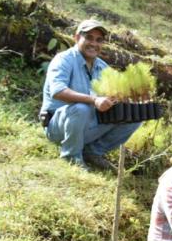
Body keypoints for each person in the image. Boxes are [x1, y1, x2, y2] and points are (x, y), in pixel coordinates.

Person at [39, 19, 141, 170]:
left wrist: (123, 98)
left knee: (135, 113)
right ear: (77, 37)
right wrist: (94, 100)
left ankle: (92, 152)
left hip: (87, 126)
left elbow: (115, 93)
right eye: (89, 38)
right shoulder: (63, 60)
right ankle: (71, 155)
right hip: (58, 127)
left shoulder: (102, 66)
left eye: (99, 40)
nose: (94, 44)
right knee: (82, 108)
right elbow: (58, 91)